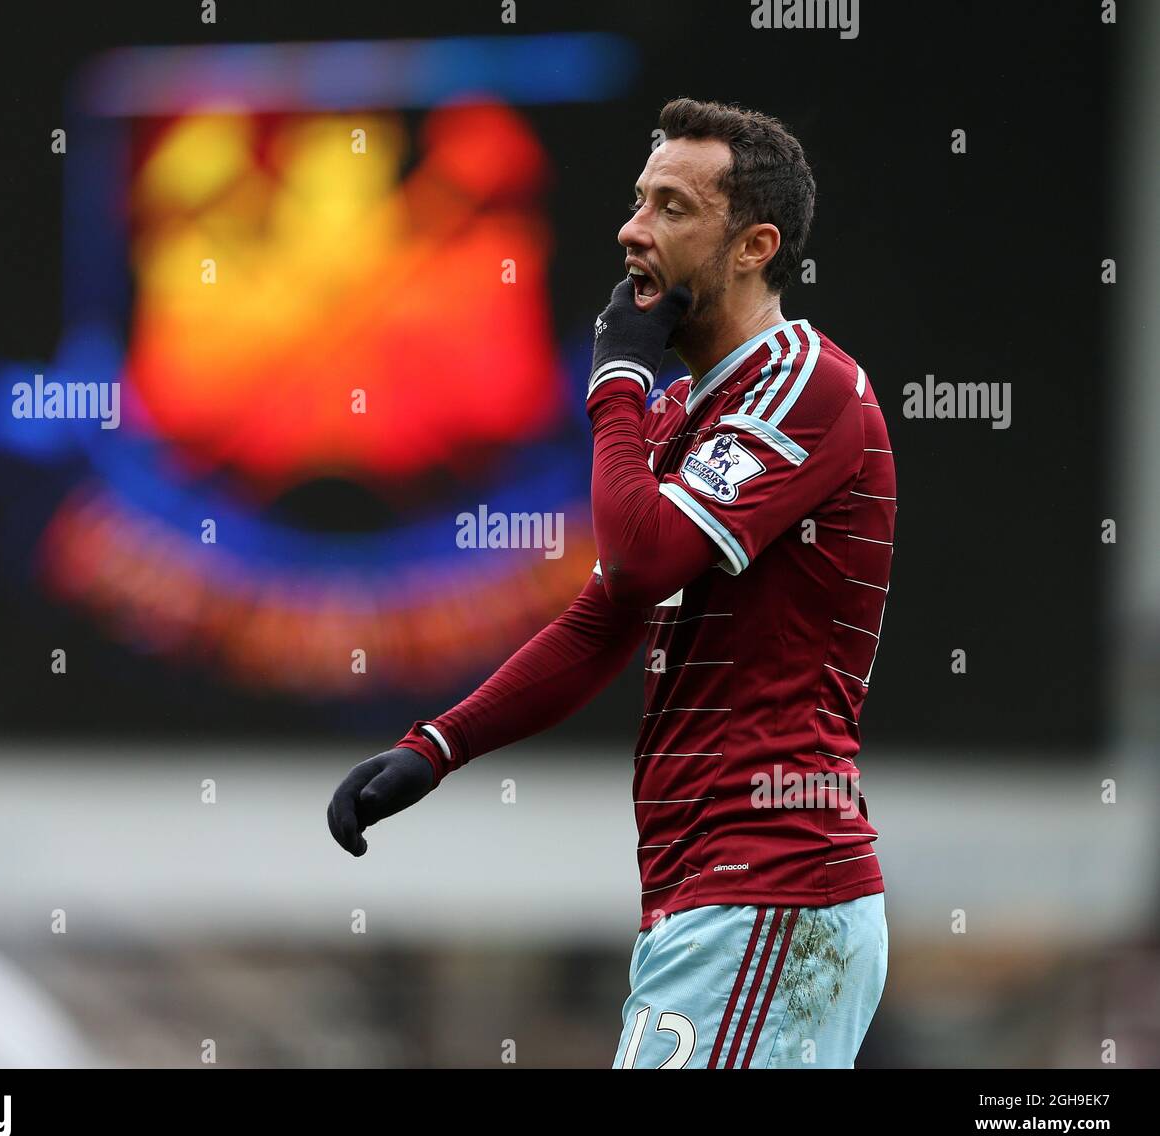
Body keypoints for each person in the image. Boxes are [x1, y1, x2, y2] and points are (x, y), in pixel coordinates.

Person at [328, 97, 895, 1069]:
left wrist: (614, 389)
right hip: (709, 892)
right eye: (638, 200)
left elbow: (643, 556)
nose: (632, 228)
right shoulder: (691, 408)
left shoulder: (809, 384)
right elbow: (606, 617)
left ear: (754, 245)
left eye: (673, 207)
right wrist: (438, 746)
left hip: (771, 884)